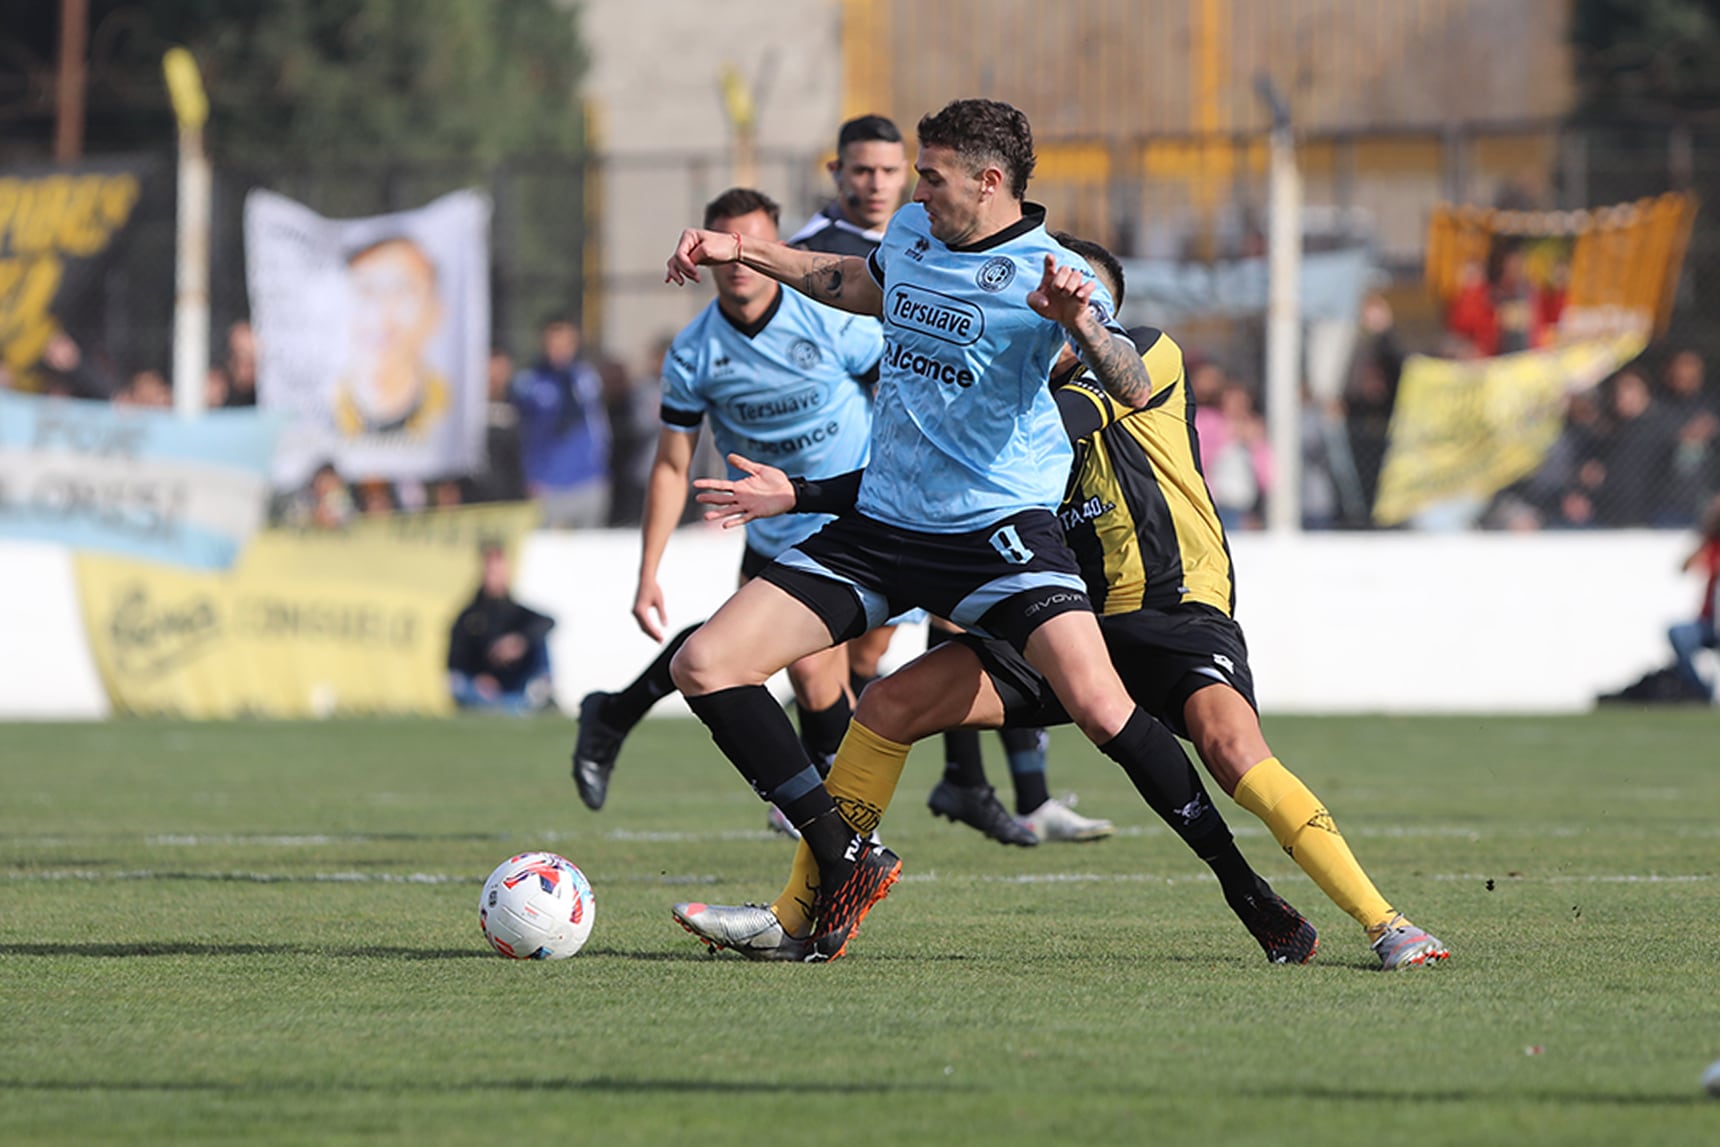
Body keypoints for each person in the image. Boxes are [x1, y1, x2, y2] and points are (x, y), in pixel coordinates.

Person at [678, 235, 1448, 972]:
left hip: (1172, 609)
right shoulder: (1014, 391)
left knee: (1230, 748)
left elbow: (1050, 429)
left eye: (1071, 304)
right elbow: (922, 485)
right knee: (888, 703)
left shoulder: (1145, 353)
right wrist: (800, 492)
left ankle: (1386, 922)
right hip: (1060, 611)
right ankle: (798, 914)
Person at [659, 98, 1298, 964]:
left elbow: (1131, 384)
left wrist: (1078, 321)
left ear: (988, 181)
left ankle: (1244, 887)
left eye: (930, 173)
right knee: (703, 662)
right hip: (884, 524)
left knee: (1107, 709)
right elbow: (847, 280)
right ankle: (847, 857)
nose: (913, 190)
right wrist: (748, 252)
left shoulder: (1051, 269)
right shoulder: (917, 235)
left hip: (995, 535)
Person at [791, 113, 1096, 848]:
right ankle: (832, 806)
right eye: (865, 171)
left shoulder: (1008, 258)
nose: (888, 186)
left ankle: (998, 788)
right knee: (826, 668)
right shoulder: (875, 239)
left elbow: (1118, 373)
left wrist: (1077, 332)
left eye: (902, 172)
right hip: (872, 492)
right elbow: (841, 298)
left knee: (985, 643)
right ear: (839, 175)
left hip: (952, 502)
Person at [571, 188, 884, 820]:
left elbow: (902, 388)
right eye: (728, 246)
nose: (742, 261)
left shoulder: (831, 322)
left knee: (835, 664)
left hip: (858, 513)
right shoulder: (694, 352)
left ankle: (617, 710)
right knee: (813, 676)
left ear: (778, 249)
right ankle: (835, 826)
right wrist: (648, 570)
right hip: (780, 535)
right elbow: (671, 463)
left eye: (754, 245)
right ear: (709, 254)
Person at [332, 237, 450, 440]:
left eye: (401, 291)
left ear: (436, 310)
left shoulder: (452, 413)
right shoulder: (319, 414)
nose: (380, 314)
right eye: (366, 291)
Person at [512, 317, 611, 528]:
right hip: (547, 485)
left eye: (565, 344)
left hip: (587, 480)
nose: (559, 351)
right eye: (553, 344)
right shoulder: (530, 382)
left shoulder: (584, 377)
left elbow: (585, 409)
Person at [448, 541, 557, 715]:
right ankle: (508, 706)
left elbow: (549, 622)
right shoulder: (470, 616)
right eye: (491, 571)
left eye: (499, 570)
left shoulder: (515, 612)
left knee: (539, 640)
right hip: (483, 688)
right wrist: (478, 677)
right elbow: (456, 660)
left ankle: (534, 695)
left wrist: (519, 641)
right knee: (460, 684)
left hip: (515, 683)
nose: (495, 576)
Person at [1668, 493, 1720, 701]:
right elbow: (1685, 566)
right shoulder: (1710, 544)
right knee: (1679, 634)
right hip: (1709, 624)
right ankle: (1700, 692)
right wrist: (1705, 535)